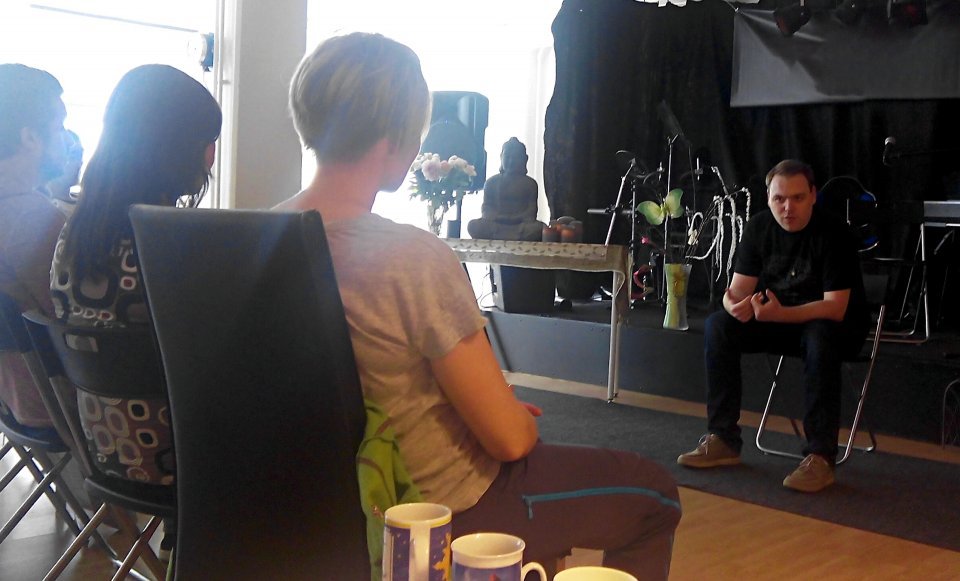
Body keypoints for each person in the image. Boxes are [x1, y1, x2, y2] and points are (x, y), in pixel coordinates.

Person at [276, 32, 680, 579]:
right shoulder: (413, 257)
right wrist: (508, 416)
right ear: (394, 137)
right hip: (431, 511)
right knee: (654, 494)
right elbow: (509, 441)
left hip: (306, 508)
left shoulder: (247, 241)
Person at [50, 64, 221, 557]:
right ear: (174, 147)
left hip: (104, 448)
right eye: (206, 141)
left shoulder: (73, 234)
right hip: (177, 458)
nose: (211, 156)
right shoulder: (169, 239)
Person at [678, 159, 869, 493]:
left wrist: (778, 314)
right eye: (779, 199)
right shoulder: (759, 227)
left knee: (820, 337)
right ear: (768, 198)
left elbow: (835, 308)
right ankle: (723, 438)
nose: (787, 207)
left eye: (797, 198)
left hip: (833, 327)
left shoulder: (834, 232)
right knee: (719, 325)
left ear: (813, 196)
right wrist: (733, 306)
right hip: (778, 320)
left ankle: (820, 456)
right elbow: (737, 290)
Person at [0, 63, 68, 428]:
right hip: (53, 403)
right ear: (29, 137)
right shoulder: (30, 218)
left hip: (9, 402)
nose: (66, 139)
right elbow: (73, 321)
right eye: (59, 126)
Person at [467, 137, 544, 241]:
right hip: (496, 225)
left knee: (540, 228)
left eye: (516, 158)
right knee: (473, 226)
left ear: (525, 159)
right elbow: (486, 208)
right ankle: (513, 237)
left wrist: (513, 218)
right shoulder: (491, 182)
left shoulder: (530, 184)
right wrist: (498, 217)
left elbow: (531, 212)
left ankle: (506, 236)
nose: (511, 161)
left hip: (520, 227)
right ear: (501, 157)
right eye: (507, 157)